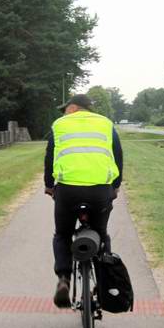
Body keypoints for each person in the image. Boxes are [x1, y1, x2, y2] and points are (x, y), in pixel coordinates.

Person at [44, 94, 123, 308]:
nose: (64, 113)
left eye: (66, 108)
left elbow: (50, 157)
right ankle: (103, 280)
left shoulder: (59, 125)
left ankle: (64, 280)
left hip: (67, 190)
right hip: (100, 190)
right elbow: (117, 154)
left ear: (74, 108)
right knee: (101, 233)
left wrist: (49, 186)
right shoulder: (106, 124)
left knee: (62, 234)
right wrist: (115, 186)